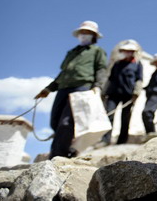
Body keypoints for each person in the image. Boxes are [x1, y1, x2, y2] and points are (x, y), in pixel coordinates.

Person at [35, 20, 108, 158]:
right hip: (63, 87)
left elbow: (101, 69)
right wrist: (48, 89)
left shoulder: (97, 51)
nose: (84, 35)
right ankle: (69, 147)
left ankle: (58, 155)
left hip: (82, 87)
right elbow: (63, 73)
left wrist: (98, 86)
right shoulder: (72, 52)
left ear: (94, 35)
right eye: (82, 32)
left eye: (87, 33)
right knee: (55, 121)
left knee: (67, 121)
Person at [101, 41, 143, 145]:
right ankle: (105, 140)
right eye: (125, 51)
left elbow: (139, 79)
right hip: (113, 94)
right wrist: (103, 92)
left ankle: (121, 141)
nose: (126, 53)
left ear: (133, 52)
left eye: (129, 51)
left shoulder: (137, 64)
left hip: (128, 95)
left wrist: (136, 92)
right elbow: (110, 79)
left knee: (125, 118)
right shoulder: (117, 64)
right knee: (109, 115)